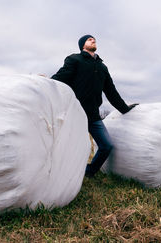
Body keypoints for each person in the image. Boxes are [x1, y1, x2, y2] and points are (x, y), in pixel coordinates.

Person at [51, 35, 138, 177]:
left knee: (106, 146)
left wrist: (125, 109)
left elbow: (111, 92)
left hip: (93, 116)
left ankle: (89, 172)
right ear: (82, 45)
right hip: (74, 113)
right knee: (69, 147)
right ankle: (62, 174)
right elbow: (60, 78)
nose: (93, 40)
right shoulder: (74, 60)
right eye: (89, 39)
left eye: (94, 39)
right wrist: (44, 85)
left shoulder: (102, 67)